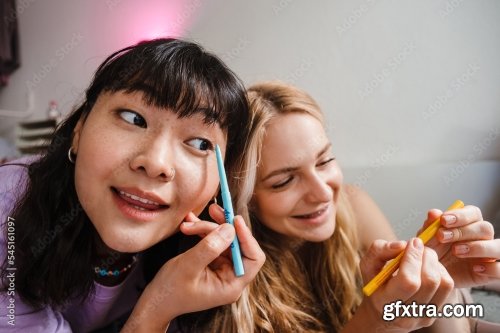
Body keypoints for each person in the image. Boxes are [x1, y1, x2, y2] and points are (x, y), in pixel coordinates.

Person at [176, 81, 500, 332]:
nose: (322, 193)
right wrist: (378, 320)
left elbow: (417, 316)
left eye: (325, 160)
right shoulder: (224, 274)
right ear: (243, 199)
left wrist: (439, 287)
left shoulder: (353, 205)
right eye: (283, 181)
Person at [0, 38, 265, 332]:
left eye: (201, 143)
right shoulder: (9, 205)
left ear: (219, 183)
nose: (156, 164)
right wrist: (156, 310)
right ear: (79, 129)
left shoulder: (200, 260)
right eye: (133, 118)